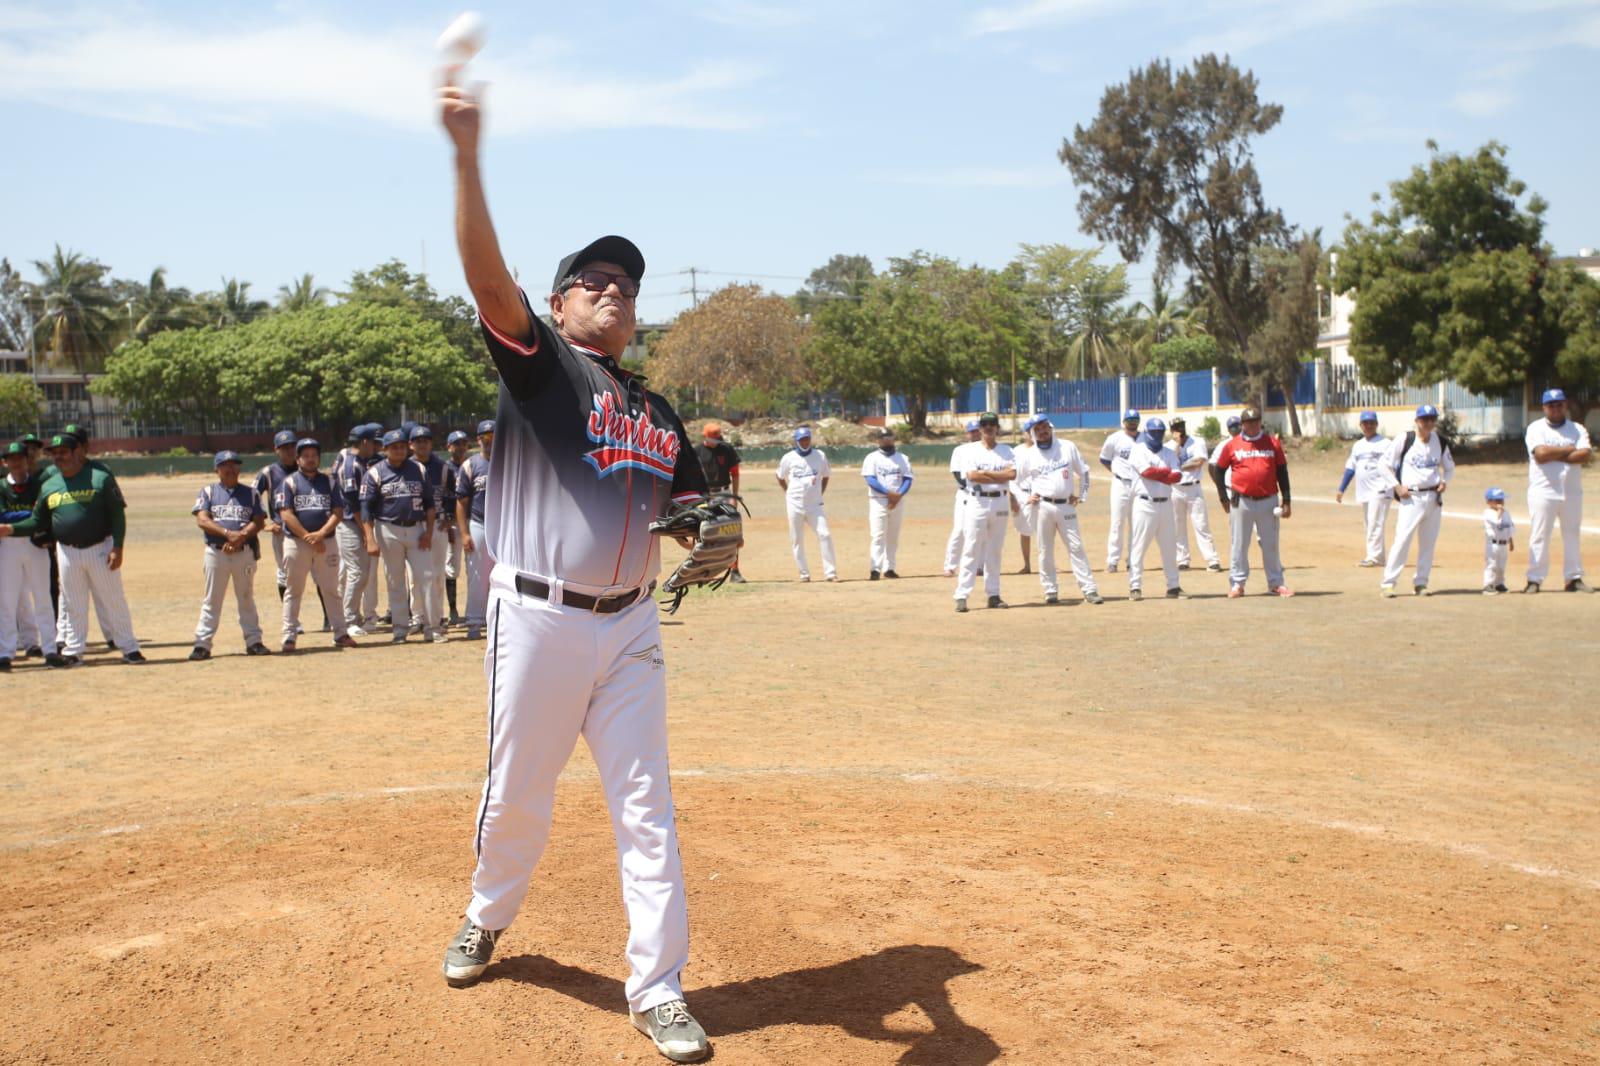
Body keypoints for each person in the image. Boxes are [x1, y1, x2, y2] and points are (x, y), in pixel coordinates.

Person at [439, 65, 713, 1061]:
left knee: (647, 806)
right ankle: (487, 911)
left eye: (626, 284)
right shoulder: (544, 370)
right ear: (557, 304)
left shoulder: (656, 412)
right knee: (521, 794)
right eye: (593, 279)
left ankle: (659, 987)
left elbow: (693, 507)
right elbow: (483, 277)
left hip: (632, 625)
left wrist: (713, 531)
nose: (614, 290)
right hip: (539, 618)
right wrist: (468, 159)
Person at [0, 433, 144, 664]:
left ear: (77, 452)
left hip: (100, 547)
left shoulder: (99, 478)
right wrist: (10, 529)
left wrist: (118, 546)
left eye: (63, 452)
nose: (59, 457)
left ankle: (129, 647)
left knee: (113, 600)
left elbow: (117, 514)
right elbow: (38, 521)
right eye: (54, 454)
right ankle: (74, 651)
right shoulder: (49, 485)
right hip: (67, 551)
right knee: (73, 604)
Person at [275, 439, 357, 653]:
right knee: (294, 589)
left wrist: (320, 534)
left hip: (326, 542)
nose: (310, 459)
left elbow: (338, 512)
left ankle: (340, 632)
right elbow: (285, 513)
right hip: (296, 542)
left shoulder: (329, 482)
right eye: (306, 455)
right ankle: (289, 636)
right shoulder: (290, 482)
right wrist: (307, 536)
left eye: (314, 455)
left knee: (331, 589)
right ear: (298, 458)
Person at [189, 450, 271, 661]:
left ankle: (254, 641)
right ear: (217, 469)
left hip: (244, 552)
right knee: (212, 600)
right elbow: (202, 520)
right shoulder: (208, 491)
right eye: (225, 465)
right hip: (216, 553)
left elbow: (259, 520)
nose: (230, 469)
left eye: (234, 464)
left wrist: (240, 537)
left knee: (246, 598)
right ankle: (202, 644)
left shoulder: (251, 493)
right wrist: (227, 535)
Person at [1014, 416, 1102, 605]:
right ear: (1032, 433)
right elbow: (1016, 481)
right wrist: (1025, 498)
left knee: (1076, 547)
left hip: (1066, 505)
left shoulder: (1067, 447)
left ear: (1051, 427)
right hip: (1042, 506)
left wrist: (1082, 495)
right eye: (1037, 429)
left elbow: (1084, 471)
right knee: (1045, 550)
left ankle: (1089, 589)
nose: (1042, 431)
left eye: (1045, 427)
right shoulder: (1029, 455)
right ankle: (1050, 590)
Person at [361, 429, 435, 643]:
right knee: (395, 581)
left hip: (417, 528)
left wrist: (429, 532)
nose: (399, 450)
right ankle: (400, 629)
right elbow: (366, 509)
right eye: (394, 447)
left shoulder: (419, 469)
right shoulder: (375, 473)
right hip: (388, 529)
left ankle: (433, 627)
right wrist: (370, 538)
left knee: (427, 578)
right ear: (385, 449)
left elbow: (430, 505)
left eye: (402, 446)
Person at [1211, 407, 1295, 598]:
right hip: (1241, 500)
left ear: (1260, 422)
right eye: (1248, 422)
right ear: (1243, 425)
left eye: (1256, 421)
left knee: (1270, 544)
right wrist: (1223, 497)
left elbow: (1282, 471)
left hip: (1268, 500)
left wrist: (1287, 500)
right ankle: (1237, 584)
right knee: (1239, 543)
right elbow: (1219, 470)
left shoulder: (1272, 443)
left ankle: (1275, 583)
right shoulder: (1233, 445)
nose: (1253, 425)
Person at [0, 441, 66, 669]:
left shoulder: (38, 484)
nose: (17, 462)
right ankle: (6, 651)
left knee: (43, 597)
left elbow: (45, 514)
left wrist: (33, 516)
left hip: (35, 544)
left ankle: (50, 649)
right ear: (4, 462)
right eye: (12, 458)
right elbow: (4, 516)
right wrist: (33, 513)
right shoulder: (0, 486)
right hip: (7, 546)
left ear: (28, 461)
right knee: (6, 600)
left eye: (21, 458)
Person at [1377, 404, 1454, 597]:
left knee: (1428, 543)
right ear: (1417, 421)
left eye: (1432, 419)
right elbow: (1384, 465)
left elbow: (1449, 467)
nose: (1428, 423)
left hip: (1433, 497)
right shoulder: (1406, 439)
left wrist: (1445, 481)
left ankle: (1421, 582)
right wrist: (1396, 486)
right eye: (1424, 419)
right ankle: (1389, 583)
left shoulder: (1440, 442)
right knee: (1402, 540)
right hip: (1411, 497)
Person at [1523, 388, 1592, 593]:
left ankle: (1573, 578)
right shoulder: (1536, 428)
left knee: (1572, 534)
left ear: (1565, 405)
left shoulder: (1577, 429)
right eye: (1551, 405)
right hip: (1543, 490)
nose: (1555, 408)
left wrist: (1555, 454)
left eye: (1559, 404)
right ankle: (1534, 579)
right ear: (1544, 407)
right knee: (1540, 535)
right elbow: (1540, 455)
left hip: (1571, 491)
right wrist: (1569, 449)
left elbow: (1585, 455)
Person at [953, 412, 1015, 612]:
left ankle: (994, 594)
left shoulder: (1007, 450)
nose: (988, 427)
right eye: (985, 424)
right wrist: (998, 476)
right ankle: (962, 595)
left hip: (1000, 503)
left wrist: (986, 474)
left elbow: (1011, 475)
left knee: (995, 550)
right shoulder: (970, 451)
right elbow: (972, 476)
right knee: (971, 547)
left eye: (992, 424)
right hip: (977, 501)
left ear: (997, 427)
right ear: (979, 428)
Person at [1126, 417, 1185, 600]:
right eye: (1154, 433)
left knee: (1169, 547)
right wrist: (1166, 474)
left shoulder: (1168, 452)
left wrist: (1162, 475)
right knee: (1139, 547)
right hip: (1145, 504)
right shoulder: (1138, 450)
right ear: (1147, 433)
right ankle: (1135, 586)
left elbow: (1177, 476)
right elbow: (1146, 473)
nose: (1157, 436)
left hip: (1166, 503)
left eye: (1160, 433)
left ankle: (1173, 586)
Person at [334, 424, 382, 634]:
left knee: (362, 572)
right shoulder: (351, 466)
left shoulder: (360, 462)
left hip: (360, 523)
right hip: (350, 523)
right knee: (356, 572)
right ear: (364, 442)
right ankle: (349, 619)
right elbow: (353, 504)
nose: (375, 446)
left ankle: (355, 616)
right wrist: (366, 531)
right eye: (373, 442)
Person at [409, 425, 456, 640]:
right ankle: (418, 618)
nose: (422, 444)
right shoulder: (407, 467)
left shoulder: (443, 467)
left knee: (437, 574)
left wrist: (449, 518)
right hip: (415, 524)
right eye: (418, 441)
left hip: (437, 525)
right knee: (414, 577)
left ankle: (437, 617)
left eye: (426, 440)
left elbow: (451, 496)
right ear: (411, 444)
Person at [776, 426, 836, 583]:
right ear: (796, 441)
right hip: (794, 504)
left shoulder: (820, 456)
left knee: (825, 535)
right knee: (797, 539)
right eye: (801, 440)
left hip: (815, 505)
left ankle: (830, 573)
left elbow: (826, 476)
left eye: (807, 439)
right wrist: (788, 491)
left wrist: (819, 493)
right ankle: (804, 574)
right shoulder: (788, 458)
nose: (805, 442)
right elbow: (780, 476)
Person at [1335, 411, 1392, 567]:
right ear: (1361, 425)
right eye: (1365, 423)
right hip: (1365, 491)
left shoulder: (1386, 444)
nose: (1369, 426)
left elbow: (1396, 466)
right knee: (1370, 524)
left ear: (1376, 424)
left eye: (1371, 423)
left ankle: (1374, 557)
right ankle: (1376, 556)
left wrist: (1398, 487)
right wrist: (1341, 489)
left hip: (1381, 489)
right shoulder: (1358, 446)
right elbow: (1350, 468)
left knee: (1375, 523)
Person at [454, 420, 493, 641]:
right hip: (478, 523)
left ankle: (498, 620)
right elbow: (461, 502)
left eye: (494, 437)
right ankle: (475, 621)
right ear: (478, 440)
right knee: (478, 576)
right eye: (485, 438)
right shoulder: (470, 465)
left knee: (503, 575)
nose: (490, 442)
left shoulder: (509, 461)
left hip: (503, 524)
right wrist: (465, 533)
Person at [693, 423, 744, 583]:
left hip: (724, 493)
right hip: (705, 495)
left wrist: (735, 497)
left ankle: (734, 570)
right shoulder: (696, 452)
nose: (717, 441)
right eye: (713, 438)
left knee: (731, 531)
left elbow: (735, 474)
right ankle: (703, 571)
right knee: (703, 532)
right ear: (705, 436)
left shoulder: (726, 449)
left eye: (718, 438)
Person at [1168, 417, 1220, 572]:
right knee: (1178, 526)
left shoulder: (1198, 441)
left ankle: (1212, 560)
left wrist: (1179, 466)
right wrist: (1177, 445)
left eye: (1181, 426)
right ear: (1171, 431)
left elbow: (1198, 462)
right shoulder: (1168, 446)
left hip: (1194, 488)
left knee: (1201, 525)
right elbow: (1170, 464)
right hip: (1175, 489)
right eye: (1176, 428)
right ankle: (1182, 559)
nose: (1180, 430)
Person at [861, 428, 913, 579]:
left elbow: (908, 478)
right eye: (883, 438)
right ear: (878, 440)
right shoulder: (872, 458)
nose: (887, 440)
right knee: (878, 535)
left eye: (889, 437)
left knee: (893, 536)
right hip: (878, 500)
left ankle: (889, 568)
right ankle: (875, 569)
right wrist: (888, 493)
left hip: (897, 501)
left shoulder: (902, 458)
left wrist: (898, 495)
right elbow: (870, 479)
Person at [1098, 409, 1141, 572]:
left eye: (1135, 420)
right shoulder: (1114, 439)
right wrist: (1116, 471)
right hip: (1120, 484)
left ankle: (1132, 560)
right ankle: (1112, 560)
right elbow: (1104, 459)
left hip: (1138, 484)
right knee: (1117, 522)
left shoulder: (1144, 438)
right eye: (1129, 420)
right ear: (1123, 422)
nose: (1132, 423)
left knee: (1136, 523)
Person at [943, 419, 981, 577]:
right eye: (972, 431)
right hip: (965, 494)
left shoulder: (988, 449)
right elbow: (957, 473)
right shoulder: (960, 450)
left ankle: (980, 565)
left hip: (983, 495)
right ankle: (950, 565)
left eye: (977, 430)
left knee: (981, 531)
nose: (975, 433)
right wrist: (971, 486)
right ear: (967, 433)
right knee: (959, 530)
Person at [444, 429, 472, 623]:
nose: (460, 447)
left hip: (474, 521)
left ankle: (474, 609)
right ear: (449, 447)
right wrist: (447, 523)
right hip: (453, 523)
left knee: (475, 569)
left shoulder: (472, 465)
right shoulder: (446, 469)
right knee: (451, 568)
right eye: (456, 444)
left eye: (463, 443)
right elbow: (444, 497)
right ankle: (453, 610)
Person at [1009, 418, 1034, 574]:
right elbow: (1011, 479)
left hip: (1041, 495)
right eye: (1029, 431)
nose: (1032, 434)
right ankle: (1027, 564)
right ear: (1024, 433)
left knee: (1047, 532)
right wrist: (1014, 500)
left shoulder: (1044, 449)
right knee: (1025, 531)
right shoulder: (1016, 452)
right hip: (1023, 494)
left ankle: (1048, 563)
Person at [1482, 487, 1514, 596]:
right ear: (1489, 501)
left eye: (1502, 500)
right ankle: (1488, 585)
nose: (1501, 503)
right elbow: (1497, 522)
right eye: (1498, 500)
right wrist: (1499, 511)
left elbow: (1509, 527)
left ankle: (1499, 583)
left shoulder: (1506, 513)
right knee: (1492, 565)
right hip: (1493, 544)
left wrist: (1511, 540)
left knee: (1501, 566)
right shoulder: (1488, 512)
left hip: (1503, 544)